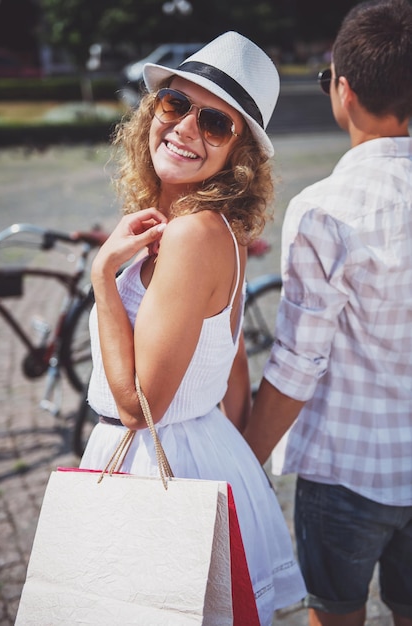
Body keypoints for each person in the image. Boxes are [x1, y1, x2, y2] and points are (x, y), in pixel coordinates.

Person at [79, 31, 306, 625]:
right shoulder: (205, 229)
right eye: (176, 105)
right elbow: (233, 372)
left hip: (156, 468)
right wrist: (226, 456)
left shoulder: (190, 234)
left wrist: (103, 276)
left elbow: (138, 408)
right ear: (153, 111)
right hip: (193, 455)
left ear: (240, 155)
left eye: (215, 123)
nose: (185, 129)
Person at [244, 1, 412, 625]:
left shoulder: (323, 209)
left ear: (342, 90)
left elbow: (297, 361)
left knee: (334, 615)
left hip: (345, 470)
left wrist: (245, 455)